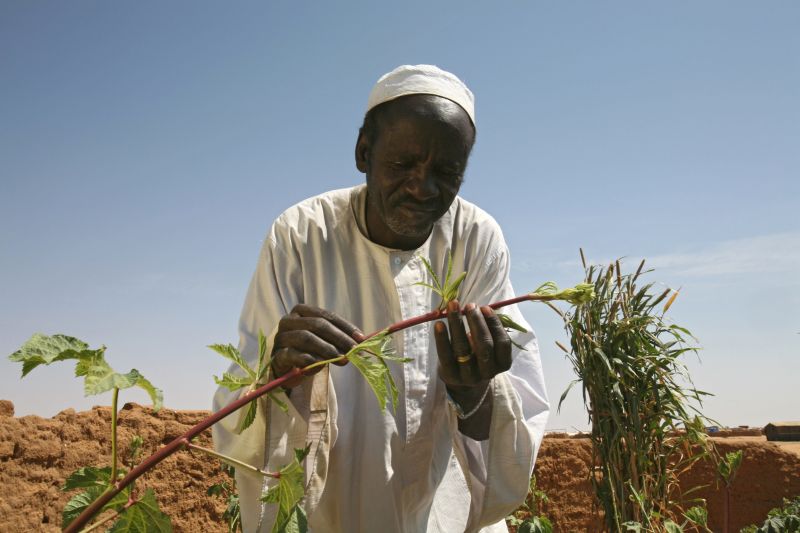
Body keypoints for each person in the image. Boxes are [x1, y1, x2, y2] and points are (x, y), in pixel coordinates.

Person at [213, 65, 549, 533]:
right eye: (402, 164)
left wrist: (475, 392)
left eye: (446, 172)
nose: (422, 187)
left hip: (441, 517)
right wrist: (282, 374)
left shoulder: (476, 239)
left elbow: (517, 410)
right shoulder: (301, 235)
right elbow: (239, 408)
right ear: (363, 152)